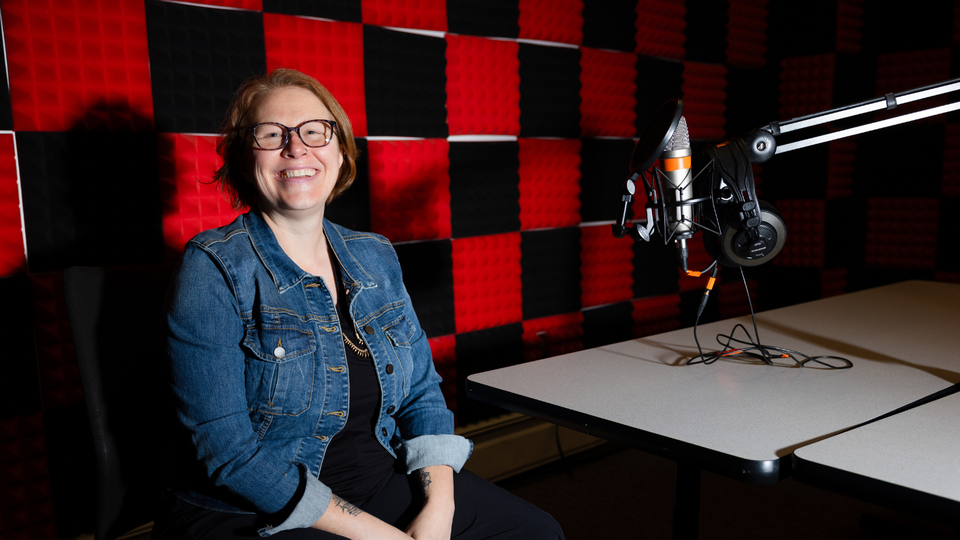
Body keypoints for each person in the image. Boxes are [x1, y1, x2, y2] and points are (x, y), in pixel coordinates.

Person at [153, 68, 564, 540]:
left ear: (340, 151)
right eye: (271, 134)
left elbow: (421, 394)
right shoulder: (213, 268)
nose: (296, 148)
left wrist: (438, 508)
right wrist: (385, 536)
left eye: (314, 131)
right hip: (249, 508)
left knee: (535, 532)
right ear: (244, 160)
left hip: (373, 480)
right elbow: (229, 454)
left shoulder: (374, 255)